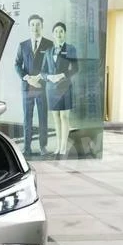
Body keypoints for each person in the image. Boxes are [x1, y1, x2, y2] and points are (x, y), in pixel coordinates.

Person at [14, 14, 53, 156]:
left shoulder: (49, 44)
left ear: (42, 26)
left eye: (38, 24)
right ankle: (27, 147)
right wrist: (27, 78)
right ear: (29, 26)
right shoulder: (23, 45)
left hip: (41, 87)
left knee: (43, 117)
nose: (35, 27)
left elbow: (52, 66)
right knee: (27, 118)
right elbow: (17, 64)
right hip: (27, 87)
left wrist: (40, 77)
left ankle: (43, 147)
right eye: (32, 24)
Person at [43, 22, 78, 159]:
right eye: (56, 31)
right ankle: (58, 146)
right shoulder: (48, 51)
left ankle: (63, 147)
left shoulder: (70, 49)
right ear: (53, 34)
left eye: (61, 31)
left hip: (65, 86)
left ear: (65, 33)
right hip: (51, 88)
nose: (59, 34)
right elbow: (43, 71)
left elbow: (75, 68)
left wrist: (63, 75)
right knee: (56, 118)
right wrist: (49, 77)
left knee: (64, 117)